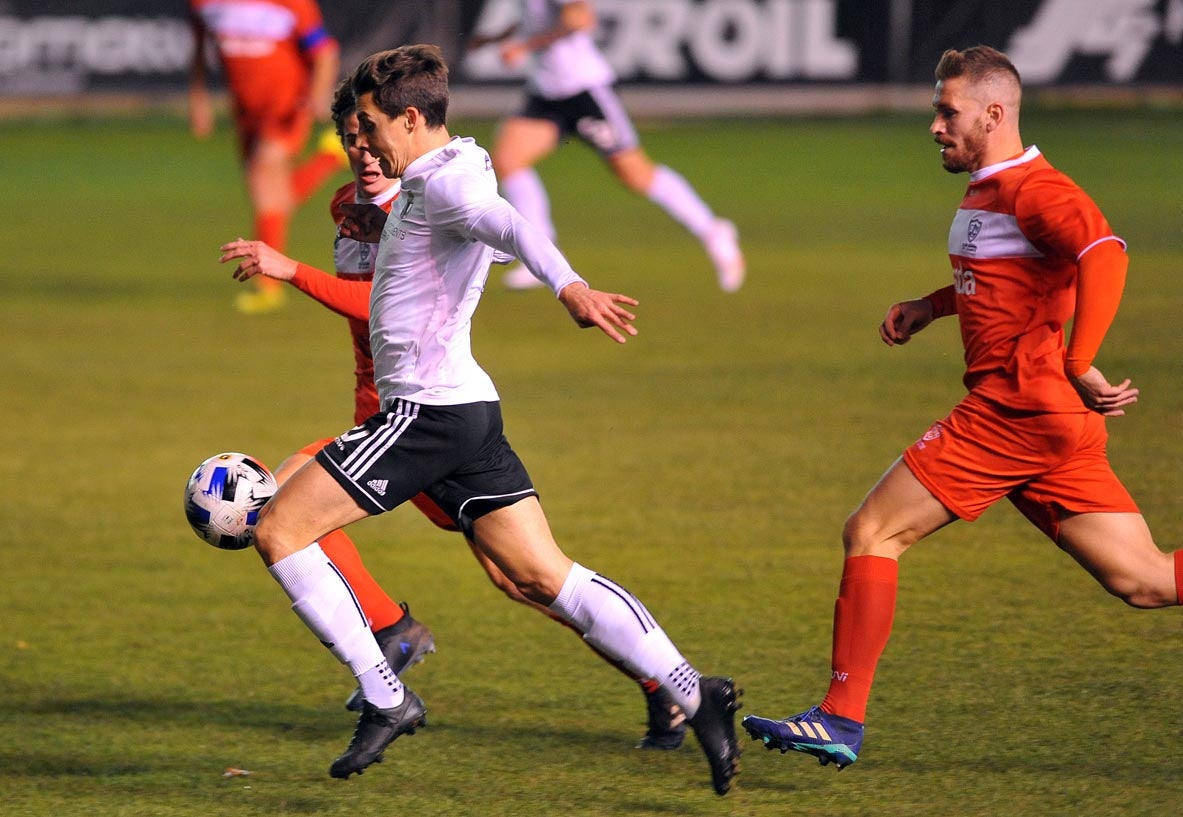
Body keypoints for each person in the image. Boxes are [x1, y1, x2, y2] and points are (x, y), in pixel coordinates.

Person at [234, 45, 741, 795]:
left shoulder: (451, 185)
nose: (362, 144)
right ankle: (694, 690)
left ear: (411, 117)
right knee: (541, 575)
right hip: (464, 409)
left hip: (424, 413)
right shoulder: (438, 172)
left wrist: (568, 286)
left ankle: (386, 691)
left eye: (370, 128)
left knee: (278, 525)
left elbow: (503, 224)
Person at [741, 45, 1183, 770]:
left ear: (993, 113)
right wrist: (933, 305)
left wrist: (1075, 360)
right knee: (1143, 579)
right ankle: (837, 718)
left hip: (1015, 409)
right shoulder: (987, 189)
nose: (934, 126)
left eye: (947, 112)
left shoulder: (1033, 189)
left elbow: (1104, 253)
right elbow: (1006, 279)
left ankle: (839, 717)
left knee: (872, 531)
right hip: (1051, 422)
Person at [467, 0, 745, 293]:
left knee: (636, 174)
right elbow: (534, 19)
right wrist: (496, 38)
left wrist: (526, 47)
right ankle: (541, 249)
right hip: (548, 92)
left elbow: (579, 18)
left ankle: (712, 230)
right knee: (509, 159)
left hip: (584, 90)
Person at [189, 0, 347, 314]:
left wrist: (317, 95)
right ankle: (329, 158)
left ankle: (268, 287)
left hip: (286, 104)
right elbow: (199, 47)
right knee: (271, 198)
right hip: (246, 111)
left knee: (264, 184)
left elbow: (325, 51)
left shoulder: (291, 3)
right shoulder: (202, 4)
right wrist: (199, 97)